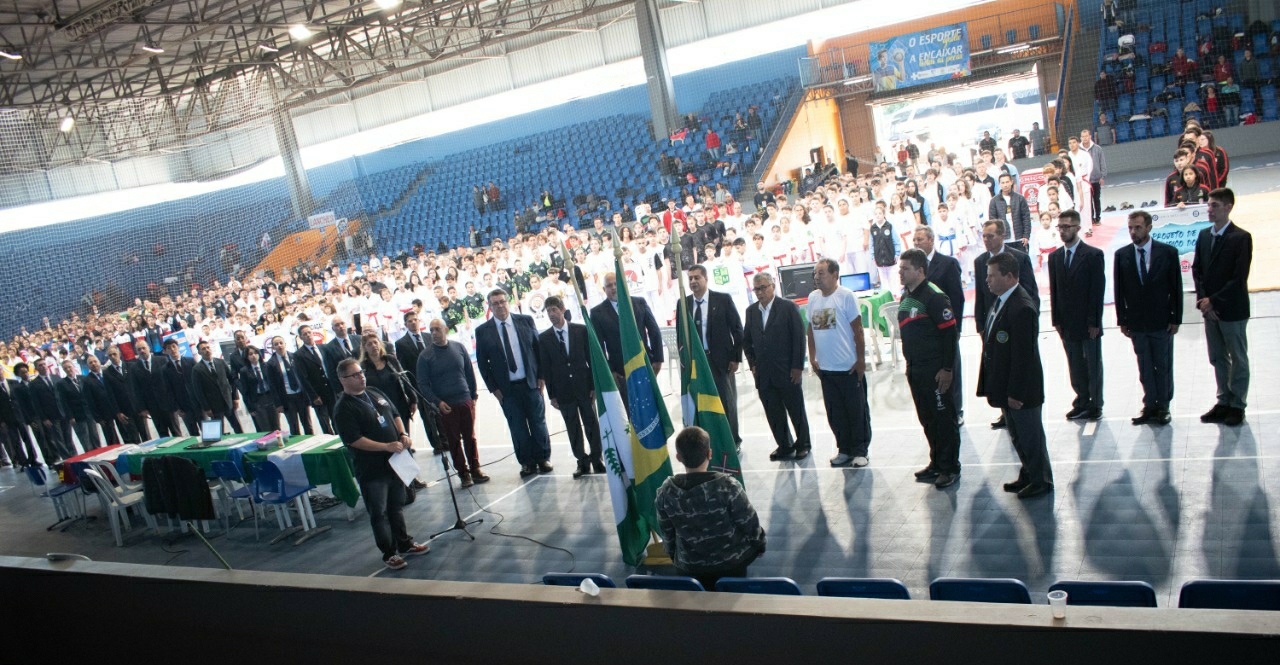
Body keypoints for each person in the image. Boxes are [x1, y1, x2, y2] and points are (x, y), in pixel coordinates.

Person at [332, 357, 430, 570]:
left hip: (394, 464)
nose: (361, 377)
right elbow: (355, 440)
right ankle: (388, 552)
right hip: (372, 469)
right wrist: (385, 446)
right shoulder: (343, 408)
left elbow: (394, 414)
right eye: (355, 375)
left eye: (361, 373)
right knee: (379, 512)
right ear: (343, 380)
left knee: (397, 506)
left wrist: (403, 433)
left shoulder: (374, 392)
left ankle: (404, 543)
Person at [976, 252, 1052, 499]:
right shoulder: (1001, 301)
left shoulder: (1021, 307)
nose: (987, 281)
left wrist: (1015, 392)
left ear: (1009, 276)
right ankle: (1029, 474)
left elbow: (1024, 357)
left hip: (1021, 391)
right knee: (1018, 436)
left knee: (1030, 437)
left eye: (991, 276)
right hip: (1005, 386)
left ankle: (1041, 480)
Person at [655, 425, 766, 591]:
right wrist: (760, 544)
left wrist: (675, 557)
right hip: (732, 564)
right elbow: (749, 523)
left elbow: (667, 532)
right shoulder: (728, 486)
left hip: (689, 567)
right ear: (710, 454)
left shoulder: (665, 491)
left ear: (678, 457)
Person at [896, 249, 961, 488]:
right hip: (915, 369)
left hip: (935, 370)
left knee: (944, 419)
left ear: (920, 270)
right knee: (928, 418)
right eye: (899, 268)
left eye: (905, 269)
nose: (900, 273)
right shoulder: (906, 296)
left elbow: (949, 336)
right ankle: (936, 463)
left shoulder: (934, 296)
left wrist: (946, 369)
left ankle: (950, 467)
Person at [1114, 211, 1183, 426]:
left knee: (1162, 364)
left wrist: (1176, 318)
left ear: (1149, 227)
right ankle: (1149, 404)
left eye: (1138, 227)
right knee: (1144, 364)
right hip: (1137, 322)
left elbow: (1176, 288)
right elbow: (1119, 290)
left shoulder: (1167, 253)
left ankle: (1163, 405)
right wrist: (1122, 320)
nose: (1133, 232)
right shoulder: (1122, 255)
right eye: (1131, 228)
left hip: (1161, 320)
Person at [474, 288, 552, 477]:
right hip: (507, 390)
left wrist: (541, 377)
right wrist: (494, 389)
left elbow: (538, 350)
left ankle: (543, 458)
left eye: (502, 301)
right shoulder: (483, 331)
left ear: (508, 301)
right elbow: (483, 364)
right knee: (517, 428)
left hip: (530, 384)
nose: (500, 306)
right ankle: (526, 462)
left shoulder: (525, 321)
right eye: (495, 303)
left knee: (538, 423)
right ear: (490, 307)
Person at [1192, 188, 1252, 427]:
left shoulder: (1241, 238)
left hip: (1232, 309)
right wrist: (1203, 300)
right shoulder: (1205, 236)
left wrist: (1213, 301)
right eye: (1209, 205)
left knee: (1237, 358)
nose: (1210, 209)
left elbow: (1238, 278)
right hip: (1210, 310)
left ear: (1228, 207)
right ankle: (1223, 400)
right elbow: (1197, 271)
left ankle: (1237, 404)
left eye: (1215, 205)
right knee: (1217, 357)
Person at [972, 220, 1039, 429]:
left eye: (990, 236)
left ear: (1002, 235)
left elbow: (1030, 292)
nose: (986, 240)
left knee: (1016, 362)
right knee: (997, 367)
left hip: (1014, 323)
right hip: (991, 325)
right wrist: (980, 323)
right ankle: (1004, 409)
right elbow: (980, 296)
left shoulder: (1018, 258)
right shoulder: (980, 261)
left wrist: (1029, 321)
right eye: (984, 236)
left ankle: (1016, 401)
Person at [806, 258, 871, 468]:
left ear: (835, 275)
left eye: (821, 273)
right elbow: (811, 331)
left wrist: (861, 360)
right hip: (827, 370)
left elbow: (858, 331)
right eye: (815, 273)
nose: (817, 277)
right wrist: (812, 357)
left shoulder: (846, 296)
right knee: (835, 413)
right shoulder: (813, 298)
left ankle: (860, 450)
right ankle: (843, 449)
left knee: (856, 411)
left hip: (848, 368)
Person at [742, 272, 810, 461]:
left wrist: (797, 366)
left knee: (796, 409)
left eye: (763, 287)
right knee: (773, 412)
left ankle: (803, 443)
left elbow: (798, 339)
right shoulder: (751, 311)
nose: (760, 292)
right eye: (756, 289)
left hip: (787, 370)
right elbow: (747, 341)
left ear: (773, 286)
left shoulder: (788, 307)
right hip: (764, 374)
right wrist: (753, 364)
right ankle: (784, 445)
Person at [1047, 210, 1106, 421]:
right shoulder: (1054, 258)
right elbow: (1055, 292)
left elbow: (1097, 292)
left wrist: (1095, 322)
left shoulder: (1092, 255)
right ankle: (1081, 399)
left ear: (1077, 228)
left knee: (1092, 363)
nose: (1063, 231)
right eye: (1060, 227)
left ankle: (1095, 403)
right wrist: (1056, 320)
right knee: (1074, 364)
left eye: (1067, 227)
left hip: (1088, 322)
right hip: (1067, 323)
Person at [417, 318, 488, 488]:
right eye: (431, 330)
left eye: (437, 329)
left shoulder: (459, 347)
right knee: (453, 441)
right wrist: (438, 402)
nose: (434, 333)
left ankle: (475, 469)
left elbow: (470, 373)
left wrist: (473, 396)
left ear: (446, 330)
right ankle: (463, 474)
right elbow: (423, 385)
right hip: (446, 407)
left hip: (465, 401)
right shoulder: (425, 356)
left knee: (470, 438)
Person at [537, 296, 602, 479]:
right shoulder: (544, 338)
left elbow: (591, 360)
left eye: (554, 310)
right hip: (563, 391)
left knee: (591, 423)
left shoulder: (580, 331)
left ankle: (597, 458)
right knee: (572, 426)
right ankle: (581, 461)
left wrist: (593, 386)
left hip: (584, 387)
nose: (551, 314)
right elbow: (546, 368)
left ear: (563, 309)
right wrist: (552, 395)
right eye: (548, 311)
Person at [683, 264, 744, 446]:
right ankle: (706, 442)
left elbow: (737, 330)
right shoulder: (683, 303)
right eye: (690, 278)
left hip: (720, 361)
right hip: (696, 362)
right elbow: (681, 334)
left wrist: (735, 357)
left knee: (726, 402)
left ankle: (732, 441)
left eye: (697, 277)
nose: (693, 281)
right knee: (700, 403)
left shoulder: (722, 299)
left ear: (706, 279)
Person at [914, 226, 966, 422]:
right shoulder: (914, 267)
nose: (917, 243)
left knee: (952, 368)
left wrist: (957, 327)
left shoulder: (947, 263)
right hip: (926, 333)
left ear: (931, 240)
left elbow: (957, 298)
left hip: (946, 326)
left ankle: (957, 410)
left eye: (920, 239)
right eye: (915, 240)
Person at [589, 272, 664, 404]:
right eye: (609, 285)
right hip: (620, 372)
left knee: (651, 406)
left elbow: (654, 332)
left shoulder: (639, 302)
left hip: (645, 366)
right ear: (604, 289)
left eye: (616, 284)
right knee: (630, 412)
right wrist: (610, 371)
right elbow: (599, 347)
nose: (613, 288)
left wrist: (657, 360)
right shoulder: (597, 313)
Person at [191, 339, 243, 434]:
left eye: (208, 347)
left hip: (228, 401)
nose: (207, 350)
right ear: (199, 352)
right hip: (213, 405)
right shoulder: (197, 369)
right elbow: (198, 391)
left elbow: (232, 380)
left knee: (237, 426)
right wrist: (206, 408)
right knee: (218, 431)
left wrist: (235, 397)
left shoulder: (221, 362)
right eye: (203, 349)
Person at [267, 336, 314, 436]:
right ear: (273, 348)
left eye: (281, 343)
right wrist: (278, 404)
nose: (279, 346)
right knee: (294, 426)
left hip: (301, 395)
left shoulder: (295, 357)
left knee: (308, 424)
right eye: (276, 344)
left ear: (285, 344)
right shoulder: (271, 364)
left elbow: (304, 376)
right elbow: (272, 386)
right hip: (287, 398)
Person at [294, 324, 336, 435]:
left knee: (336, 417)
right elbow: (303, 378)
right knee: (325, 421)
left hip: (331, 389)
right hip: (317, 392)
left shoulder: (324, 348)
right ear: (301, 337)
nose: (308, 335)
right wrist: (313, 396)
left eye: (309, 332)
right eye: (305, 334)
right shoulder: (299, 355)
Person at [28, 362, 73, 462]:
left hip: (63, 413)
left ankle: (75, 458)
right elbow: (36, 404)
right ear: (36, 368)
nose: (43, 366)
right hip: (51, 416)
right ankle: (68, 461)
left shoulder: (56, 377)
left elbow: (64, 396)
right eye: (40, 365)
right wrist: (44, 418)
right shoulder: (34, 384)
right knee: (59, 440)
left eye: (44, 364)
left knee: (68, 438)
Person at [129, 340, 173, 438]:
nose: (142, 351)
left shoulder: (162, 360)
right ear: (136, 352)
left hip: (168, 403)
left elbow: (170, 382)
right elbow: (136, 390)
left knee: (176, 432)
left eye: (143, 348)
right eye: (139, 349)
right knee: (163, 435)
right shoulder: (134, 368)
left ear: (148, 348)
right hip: (152, 406)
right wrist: (142, 408)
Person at [161, 337, 200, 436]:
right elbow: (168, 390)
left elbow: (199, 381)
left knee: (208, 431)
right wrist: (177, 408)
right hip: (183, 407)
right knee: (193, 433)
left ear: (178, 347)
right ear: (165, 351)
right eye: (169, 348)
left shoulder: (190, 361)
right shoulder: (165, 369)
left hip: (198, 402)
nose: (172, 350)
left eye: (174, 346)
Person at [102, 346, 143, 442]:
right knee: (134, 438)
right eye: (110, 355)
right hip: (124, 410)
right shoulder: (107, 373)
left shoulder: (131, 366)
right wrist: (117, 412)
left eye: (114, 354)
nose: (112, 357)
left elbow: (139, 388)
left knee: (145, 434)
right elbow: (110, 394)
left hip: (138, 407)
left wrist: (143, 406)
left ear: (119, 354)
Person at [238, 345, 281, 432]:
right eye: (250, 354)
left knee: (276, 426)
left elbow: (274, 384)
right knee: (265, 427)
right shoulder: (244, 371)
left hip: (270, 397)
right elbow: (245, 391)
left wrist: (278, 402)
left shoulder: (267, 366)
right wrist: (250, 408)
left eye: (255, 353)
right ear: (247, 357)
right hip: (257, 400)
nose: (253, 356)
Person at [988, 173, 1031, 248]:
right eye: (1003, 182)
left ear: (1011, 182)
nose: (1005, 185)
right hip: (1004, 240)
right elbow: (993, 222)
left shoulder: (1020, 198)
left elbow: (1026, 218)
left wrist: (1026, 235)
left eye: (1007, 182)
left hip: (1020, 238)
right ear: (999, 184)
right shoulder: (994, 201)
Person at [322, 318, 360, 395]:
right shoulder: (328, 348)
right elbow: (331, 373)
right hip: (346, 388)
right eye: (337, 325)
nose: (341, 326)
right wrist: (340, 392)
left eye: (342, 323)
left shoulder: (359, 339)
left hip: (365, 382)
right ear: (333, 328)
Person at [1080, 130, 1107, 228]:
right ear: (1081, 138)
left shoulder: (1097, 148)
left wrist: (1103, 176)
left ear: (1090, 136)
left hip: (1096, 179)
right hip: (1084, 181)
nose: (1085, 138)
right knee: (1087, 201)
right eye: (1083, 136)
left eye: (1086, 136)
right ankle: (1090, 218)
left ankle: (1098, 217)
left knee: (1096, 199)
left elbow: (1102, 163)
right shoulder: (1079, 150)